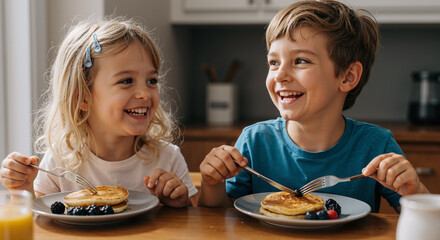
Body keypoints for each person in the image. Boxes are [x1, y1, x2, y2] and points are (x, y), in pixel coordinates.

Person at [198, 0, 430, 212]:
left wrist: (414, 191)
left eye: (300, 61)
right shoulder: (255, 141)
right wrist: (212, 183)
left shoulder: (376, 145)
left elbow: (430, 224)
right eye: (274, 62)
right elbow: (219, 220)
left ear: (348, 77)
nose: (280, 75)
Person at [0, 17, 197, 207]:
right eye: (126, 81)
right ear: (82, 98)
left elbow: (195, 224)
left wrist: (180, 203)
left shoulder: (168, 158)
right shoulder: (59, 163)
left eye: (152, 81)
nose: (145, 93)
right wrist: (23, 190)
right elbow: (42, 225)